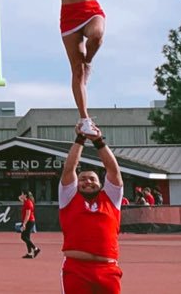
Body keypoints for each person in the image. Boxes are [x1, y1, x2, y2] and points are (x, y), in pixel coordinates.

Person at [0, 0, 150, 134]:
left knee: (97, 36)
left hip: (91, 11)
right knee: (76, 72)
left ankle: (89, 60)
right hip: (69, 18)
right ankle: (84, 118)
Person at [58, 123, 126, 293]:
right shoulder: (68, 198)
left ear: (100, 183)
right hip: (76, 269)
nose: (88, 181)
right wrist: (80, 139)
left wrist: (98, 141)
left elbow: (113, 170)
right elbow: (69, 169)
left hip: (108, 269)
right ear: (76, 183)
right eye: (83, 179)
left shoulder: (111, 198)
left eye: (92, 179)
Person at [19, 191, 40, 259]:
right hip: (28, 221)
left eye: (22, 194)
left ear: (25, 195)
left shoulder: (28, 203)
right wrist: (21, 197)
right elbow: (20, 199)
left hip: (29, 221)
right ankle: (30, 253)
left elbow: (28, 215)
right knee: (27, 237)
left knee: (23, 237)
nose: (21, 195)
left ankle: (35, 249)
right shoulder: (26, 201)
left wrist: (24, 224)